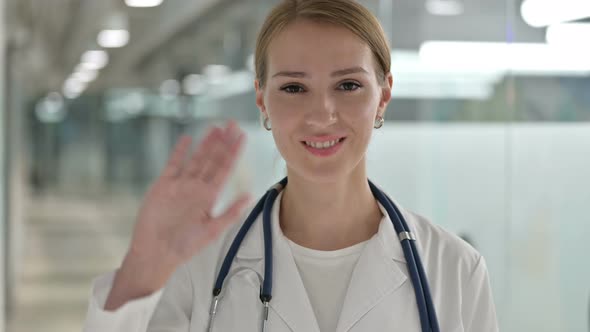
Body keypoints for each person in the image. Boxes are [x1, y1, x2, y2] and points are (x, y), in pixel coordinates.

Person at [82, 0, 499, 331]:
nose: (321, 114)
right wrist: (142, 270)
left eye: (348, 85)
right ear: (262, 99)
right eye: (294, 87)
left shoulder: (454, 269)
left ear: (384, 95)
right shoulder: (200, 267)